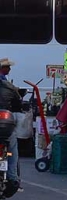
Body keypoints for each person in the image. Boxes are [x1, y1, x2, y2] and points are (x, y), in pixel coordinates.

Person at [0, 57, 21, 185]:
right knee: (12, 146)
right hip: (5, 125)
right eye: (8, 67)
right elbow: (17, 102)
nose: (9, 69)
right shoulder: (9, 86)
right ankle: (13, 177)